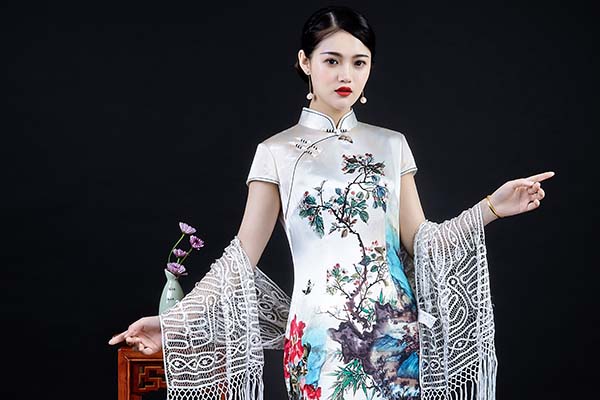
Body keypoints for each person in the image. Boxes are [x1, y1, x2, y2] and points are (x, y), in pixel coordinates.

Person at [108, 6, 554, 400]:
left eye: (359, 62)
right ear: (305, 62)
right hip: (318, 338)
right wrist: (173, 324)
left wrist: (491, 207)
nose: (346, 75)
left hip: (397, 337)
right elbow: (241, 258)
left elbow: (424, 242)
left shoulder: (391, 144)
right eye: (332, 60)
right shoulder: (276, 152)